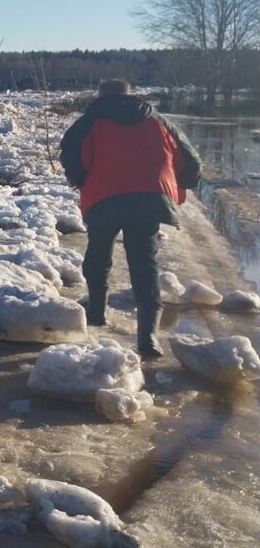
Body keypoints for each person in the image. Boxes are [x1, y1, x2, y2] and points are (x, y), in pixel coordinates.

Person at [59, 78, 201, 358]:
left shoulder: (91, 120)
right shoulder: (158, 121)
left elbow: (71, 154)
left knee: (98, 255)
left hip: (103, 198)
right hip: (149, 199)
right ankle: (148, 338)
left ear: (101, 96)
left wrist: (81, 180)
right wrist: (178, 184)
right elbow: (192, 161)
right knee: (144, 264)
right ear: (130, 95)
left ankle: (97, 312)